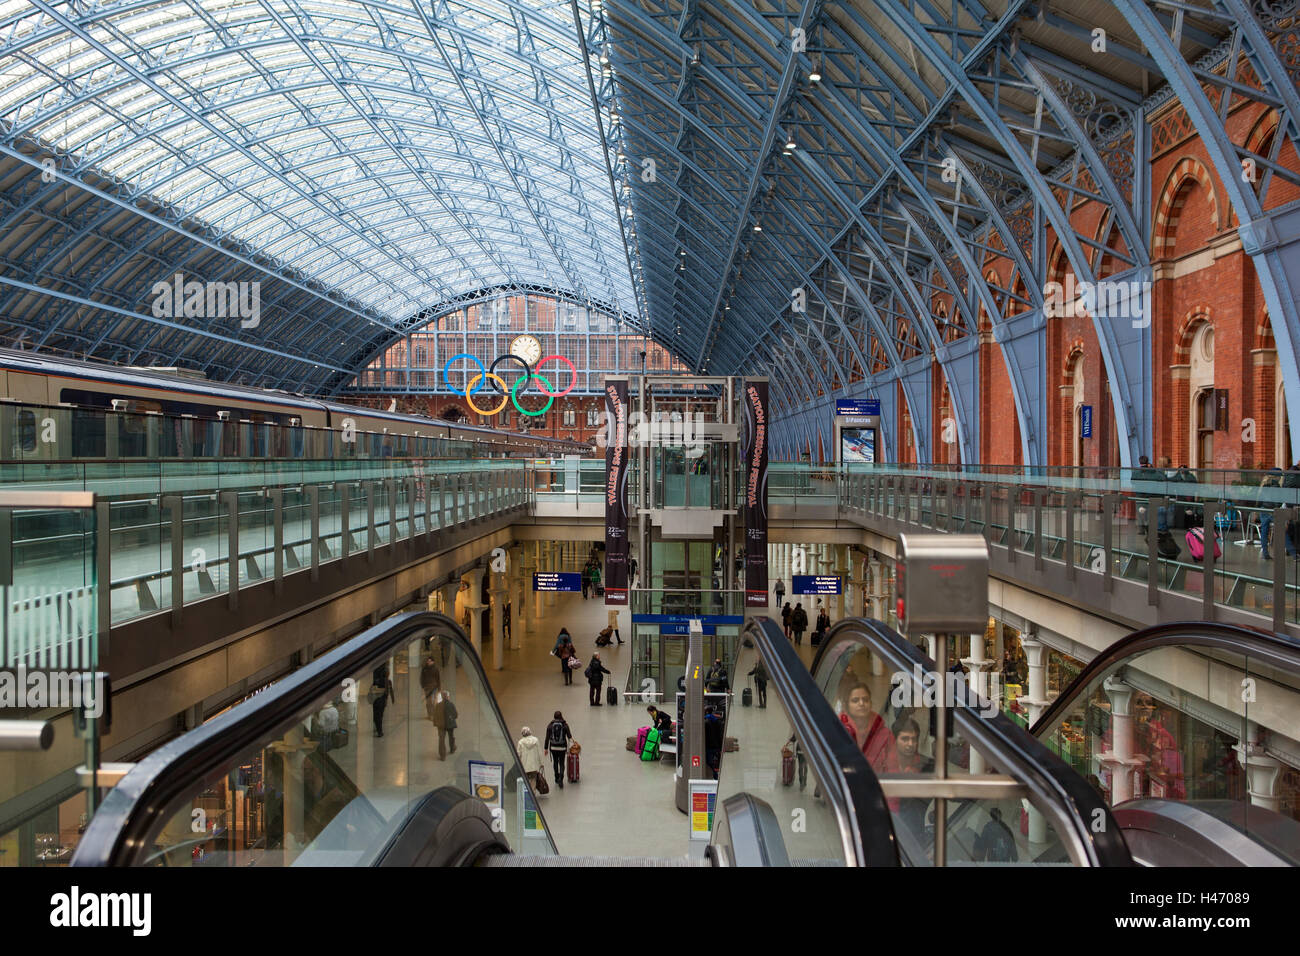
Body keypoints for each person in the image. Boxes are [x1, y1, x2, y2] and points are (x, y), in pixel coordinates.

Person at [839, 682, 898, 774]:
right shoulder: (837, 732)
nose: (861, 703)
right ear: (846, 705)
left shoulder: (886, 735)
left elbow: (893, 769)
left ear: (871, 703)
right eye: (855, 700)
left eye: (865, 699)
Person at [545, 710, 573, 787]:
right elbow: (569, 737)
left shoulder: (550, 725)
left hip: (553, 747)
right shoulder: (565, 725)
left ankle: (556, 777)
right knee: (561, 763)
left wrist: (546, 749)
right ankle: (561, 778)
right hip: (562, 747)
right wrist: (569, 748)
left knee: (555, 762)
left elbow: (547, 738)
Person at [516, 726, 545, 794]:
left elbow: (518, 754)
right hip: (534, 765)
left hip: (525, 765)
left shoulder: (520, 742)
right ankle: (533, 794)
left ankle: (527, 793)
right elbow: (539, 753)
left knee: (526, 780)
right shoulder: (536, 740)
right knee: (533, 780)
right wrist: (541, 763)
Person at [369, 663, 395, 738]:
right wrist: (392, 699)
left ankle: (379, 730)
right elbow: (390, 691)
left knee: (377, 716)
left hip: (377, 701)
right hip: (382, 701)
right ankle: (379, 729)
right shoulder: (387, 681)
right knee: (380, 715)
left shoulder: (377, 681)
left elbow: (372, 690)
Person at [432, 689, 458, 759]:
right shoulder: (451, 704)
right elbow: (455, 715)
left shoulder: (438, 705)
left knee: (441, 739)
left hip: (441, 725)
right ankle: (452, 748)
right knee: (451, 736)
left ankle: (442, 755)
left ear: (442, 697)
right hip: (450, 724)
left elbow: (435, 715)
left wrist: (436, 723)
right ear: (448, 697)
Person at [703, 704, 724, 779]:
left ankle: (715, 775)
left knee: (709, 762)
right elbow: (720, 735)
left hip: (708, 745)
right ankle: (716, 774)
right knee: (716, 762)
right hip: (717, 745)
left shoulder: (705, 722)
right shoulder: (718, 721)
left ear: (707, 712)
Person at [420, 653, 442, 720]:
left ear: (433, 662)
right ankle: (430, 715)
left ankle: (433, 715)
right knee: (429, 702)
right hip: (427, 688)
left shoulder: (435, 669)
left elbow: (438, 678)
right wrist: (423, 685)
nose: (428, 662)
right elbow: (422, 678)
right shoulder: (424, 669)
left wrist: (439, 688)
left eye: (430, 661)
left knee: (433, 701)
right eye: (428, 661)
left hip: (434, 687)